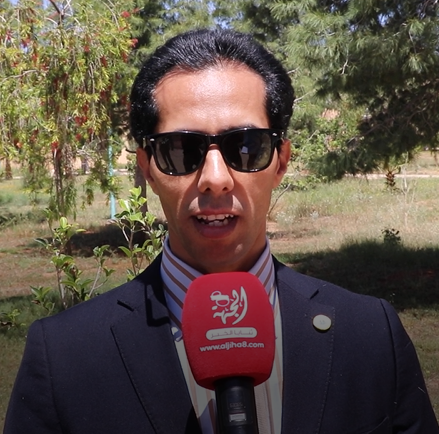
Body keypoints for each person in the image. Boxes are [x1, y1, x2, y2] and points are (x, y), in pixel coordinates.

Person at [4, 29, 438, 434]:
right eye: (181, 150)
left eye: (246, 146)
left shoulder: (371, 335)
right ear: (148, 169)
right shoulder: (64, 356)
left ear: (281, 161)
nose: (216, 179)